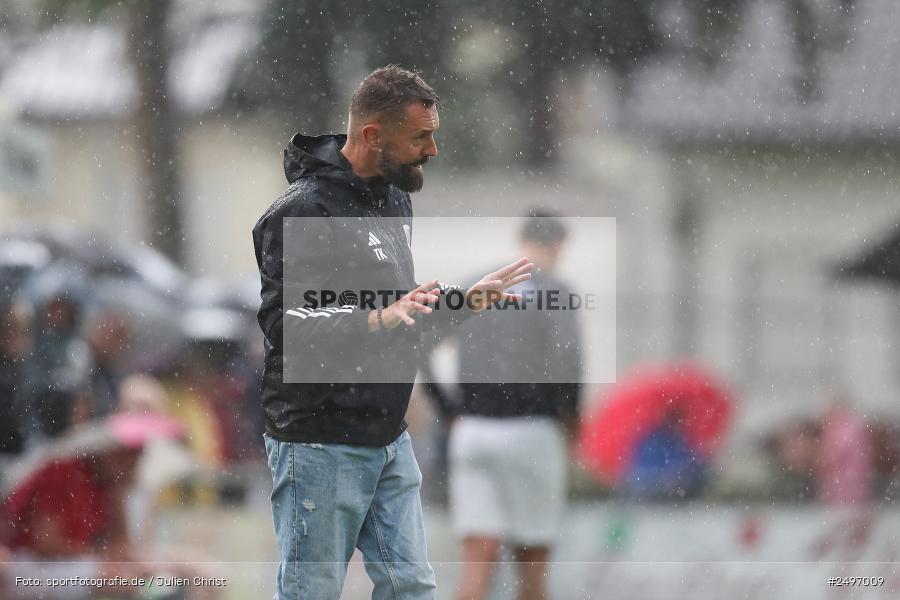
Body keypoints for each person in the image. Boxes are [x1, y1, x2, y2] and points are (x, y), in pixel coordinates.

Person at [252, 65, 534, 600]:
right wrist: (377, 317)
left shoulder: (393, 199)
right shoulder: (301, 212)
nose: (432, 150)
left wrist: (465, 303)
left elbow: (401, 319)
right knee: (310, 592)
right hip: (318, 438)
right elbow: (286, 328)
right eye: (421, 137)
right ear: (373, 135)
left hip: (387, 435)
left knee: (412, 588)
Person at [423, 211, 582, 600]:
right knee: (532, 560)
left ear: (521, 238)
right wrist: (570, 419)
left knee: (479, 557)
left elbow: (423, 344)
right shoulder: (555, 290)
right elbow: (568, 361)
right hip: (532, 430)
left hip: (474, 430)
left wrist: (449, 411)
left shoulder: (480, 284)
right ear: (558, 244)